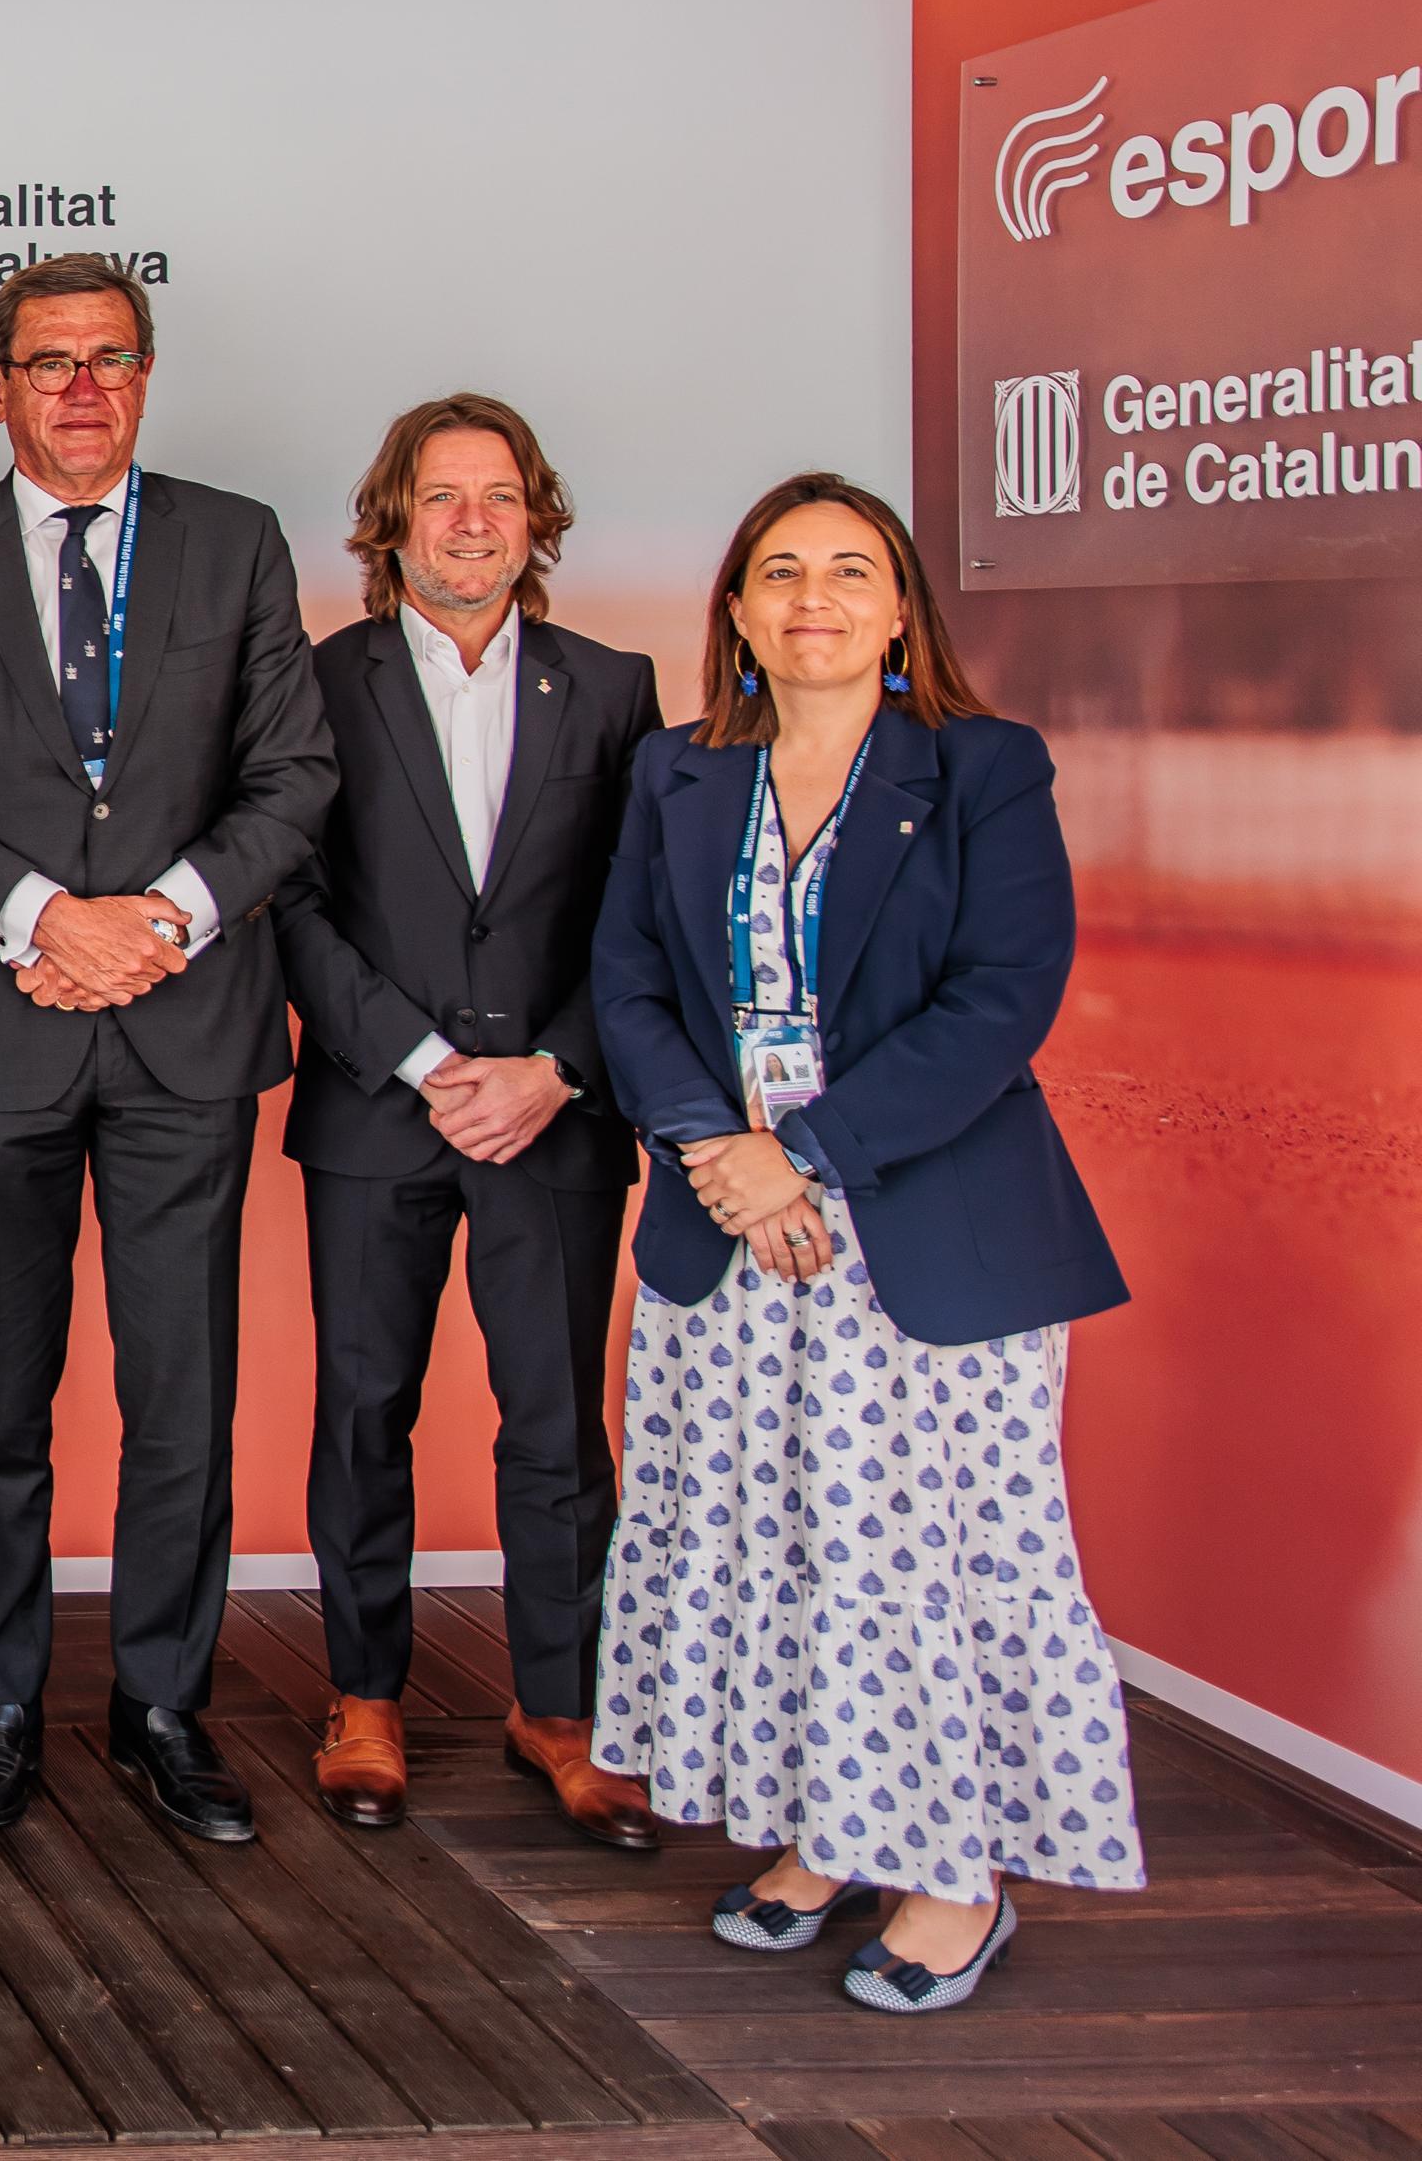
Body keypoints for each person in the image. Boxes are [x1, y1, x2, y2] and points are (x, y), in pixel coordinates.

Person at [589, 471, 1140, 2015]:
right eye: (780, 570)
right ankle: (826, 1832)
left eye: (848, 570)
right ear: (738, 608)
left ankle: (955, 1876)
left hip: (920, 1232)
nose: (812, 597)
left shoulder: (983, 767)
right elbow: (627, 980)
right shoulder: (678, 771)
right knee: (773, 1536)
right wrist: (720, 1152)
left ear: (901, 608)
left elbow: (1002, 997)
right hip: (727, 1231)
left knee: (932, 1556)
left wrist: (804, 1158)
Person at [0, 256, 335, 1843]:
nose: (80, 389)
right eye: (48, 361)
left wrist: (158, 922)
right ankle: (0, 1699)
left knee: (181, 1399)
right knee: (0, 1404)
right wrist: (47, 919)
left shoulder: (237, 541)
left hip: (188, 1029)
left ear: (145, 377)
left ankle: (162, 1701)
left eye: (109, 358)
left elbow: (292, 776)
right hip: (0, 1034)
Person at [271, 396, 661, 1846]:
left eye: (500, 495)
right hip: (380, 1110)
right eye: (442, 496)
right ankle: (364, 1693)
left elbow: (641, 912)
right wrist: (428, 1059)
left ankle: (561, 1707)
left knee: (557, 1423)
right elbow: (290, 900)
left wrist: (554, 1067)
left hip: (556, 1117)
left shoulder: (612, 686)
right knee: (364, 1411)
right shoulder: (317, 683)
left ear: (536, 519)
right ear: (393, 521)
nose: (474, 521)